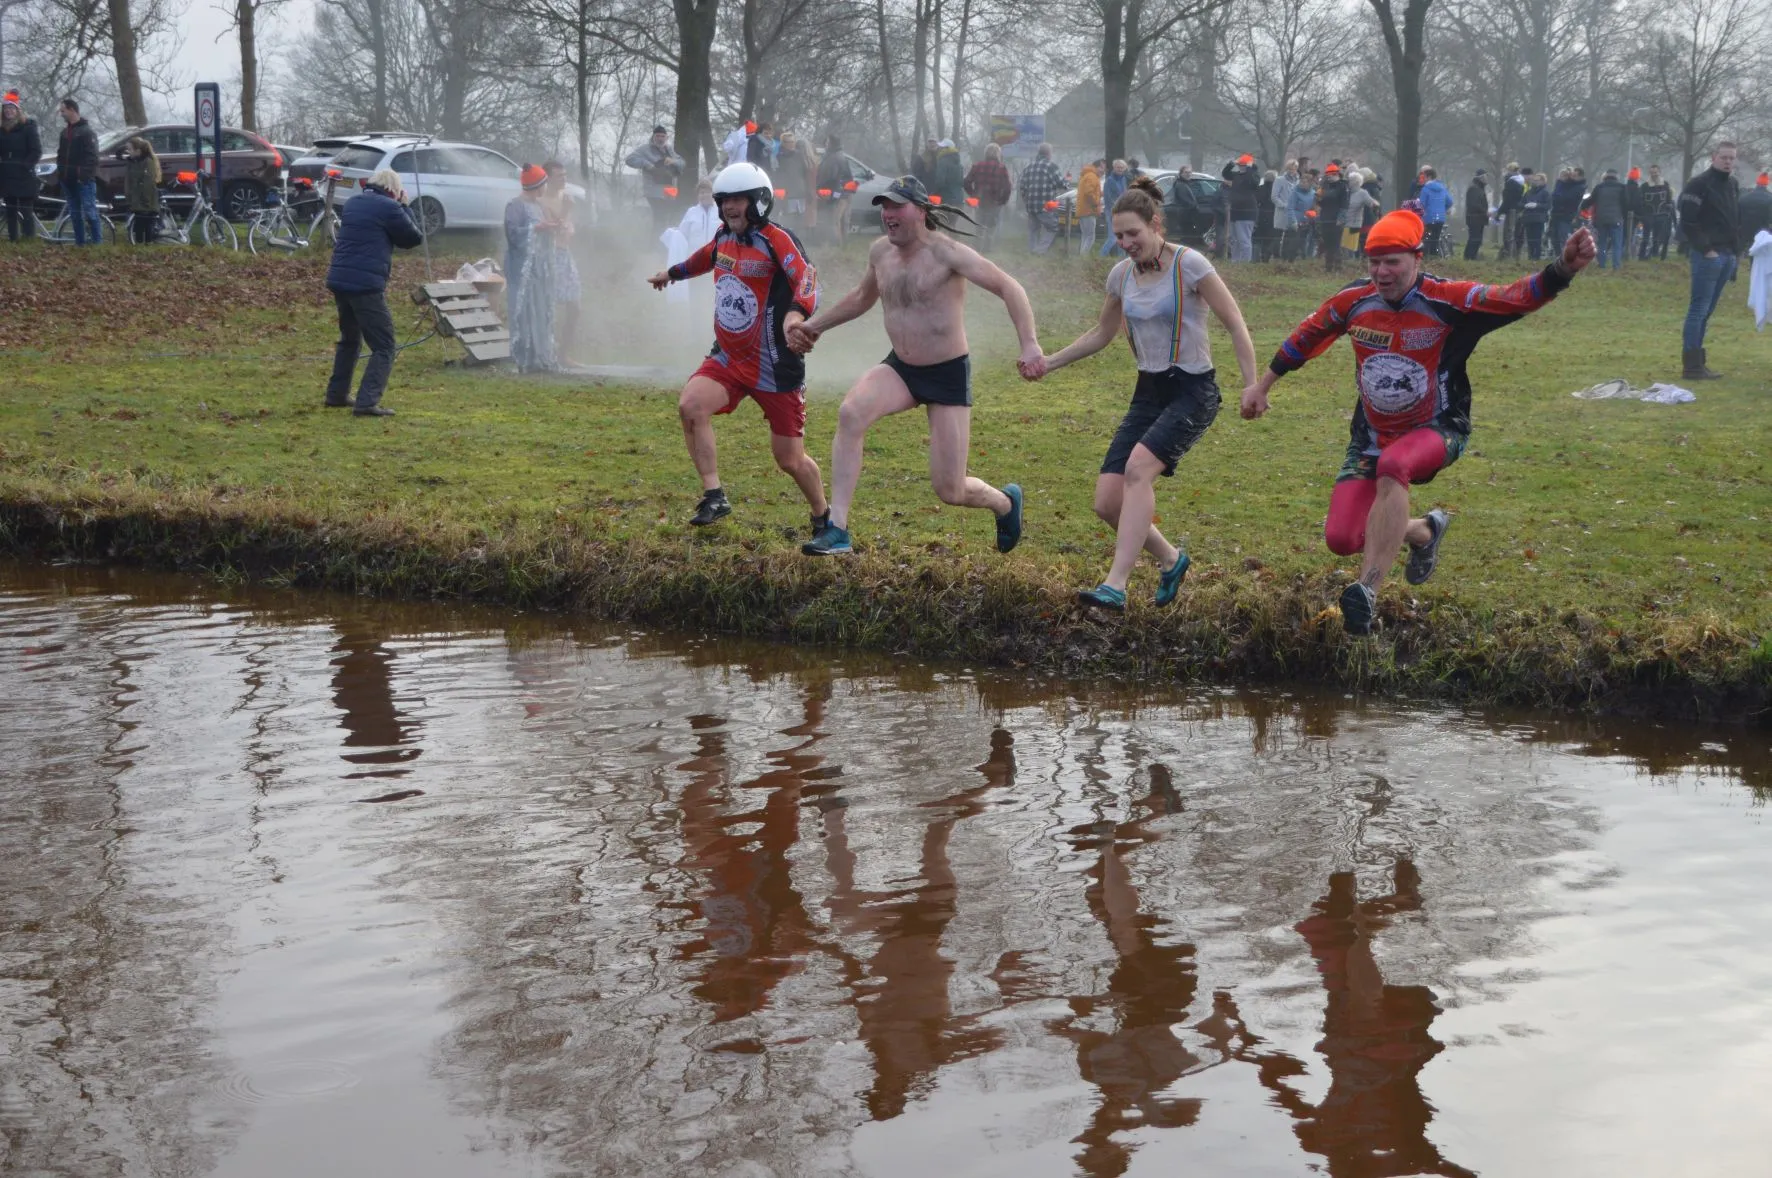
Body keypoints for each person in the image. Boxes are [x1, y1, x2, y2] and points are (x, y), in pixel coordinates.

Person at [1240, 209, 1595, 635]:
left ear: (1418, 258)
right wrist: (1263, 386)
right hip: (1370, 437)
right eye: (1374, 261)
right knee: (1343, 539)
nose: (1382, 272)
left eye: (1393, 261)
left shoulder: (1449, 299)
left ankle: (1366, 592)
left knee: (1395, 465)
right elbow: (1306, 336)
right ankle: (1424, 531)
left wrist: (1564, 269)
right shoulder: (1353, 301)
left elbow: (1515, 296)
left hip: (1440, 429)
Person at [1034, 176, 1258, 611]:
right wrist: (1050, 362)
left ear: (1157, 225)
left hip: (1194, 390)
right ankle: (1172, 559)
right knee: (1106, 502)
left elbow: (1236, 325)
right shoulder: (1120, 275)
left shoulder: (1190, 265)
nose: (1125, 243)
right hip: (1148, 389)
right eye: (1118, 236)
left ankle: (1115, 585)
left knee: (1139, 470)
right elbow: (1101, 333)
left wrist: (1252, 385)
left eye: (1132, 233)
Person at [790, 175, 1042, 557]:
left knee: (950, 489)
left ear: (921, 211)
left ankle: (1005, 503)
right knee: (851, 412)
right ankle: (837, 528)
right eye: (884, 207)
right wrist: (814, 327)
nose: (888, 214)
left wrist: (1030, 344)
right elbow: (861, 297)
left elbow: (1010, 287)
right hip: (902, 369)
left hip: (947, 374)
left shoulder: (947, 253)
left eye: (896, 206)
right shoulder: (880, 253)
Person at [647, 162, 830, 533]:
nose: (729, 207)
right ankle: (715, 495)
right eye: (724, 200)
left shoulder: (778, 239)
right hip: (729, 357)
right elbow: (705, 257)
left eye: (738, 200)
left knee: (790, 460)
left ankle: (823, 515)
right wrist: (673, 273)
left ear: (759, 201)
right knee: (690, 406)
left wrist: (795, 318)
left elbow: (808, 281)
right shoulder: (723, 238)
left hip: (775, 366)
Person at [323, 167, 424, 416]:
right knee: (384, 344)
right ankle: (366, 402)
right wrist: (405, 206)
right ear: (393, 190)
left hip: (340, 279)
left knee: (350, 340)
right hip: (365, 285)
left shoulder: (354, 202)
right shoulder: (390, 208)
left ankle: (336, 395)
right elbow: (412, 238)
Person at [1679, 142, 1741, 379]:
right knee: (1698, 309)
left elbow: (1734, 219)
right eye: (1724, 157)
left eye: (1731, 158)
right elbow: (1688, 220)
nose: (1728, 161)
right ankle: (1692, 365)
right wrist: (1706, 249)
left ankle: (1698, 362)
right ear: (1713, 157)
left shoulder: (1733, 185)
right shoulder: (1698, 184)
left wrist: (1736, 252)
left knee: (1707, 310)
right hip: (1708, 255)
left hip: (1727, 254)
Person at [504, 164, 561, 373]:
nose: (546, 187)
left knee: (538, 308)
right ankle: (523, 357)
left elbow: (542, 228)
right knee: (523, 310)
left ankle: (539, 355)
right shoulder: (515, 205)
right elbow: (512, 235)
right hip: (521, 270)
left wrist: (552, 228)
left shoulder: (538, 205)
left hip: (538, 269)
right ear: (538, 185)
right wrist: (535, 228)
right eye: (544, 183)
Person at [541, 161, 582, 363]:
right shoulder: (543, 201)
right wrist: (565, 211)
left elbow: (568, 228)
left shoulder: (563, 197)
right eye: (559, 176)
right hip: (551, 255)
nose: (564, 179)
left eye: (565, 175)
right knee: (550, 306)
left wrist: (568, 223)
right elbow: (552, 231)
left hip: (565, 255)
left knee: (575, 307)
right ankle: (548, 351)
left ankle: (563, 353)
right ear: (547, 178)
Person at [54, 97, 100, 246]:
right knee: (75, 215)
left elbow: (92, 157)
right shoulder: (63, 133)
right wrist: (61, 174)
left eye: (63, 111)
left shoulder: (87, 132)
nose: (61, 114)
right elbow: (60, 155)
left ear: (72, 110)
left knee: (90, 213)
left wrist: (83, 176)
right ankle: (79, 244)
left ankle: (96, 244)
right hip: (68, 180)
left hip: (84, 181)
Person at [0, 92, 42, 243]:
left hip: (24, 175)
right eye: (5, 109)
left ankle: (29, 240)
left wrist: (25, 165)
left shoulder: (28, 127)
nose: (8, 111)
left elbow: (36, 150)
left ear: (17, 110)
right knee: (10, 210)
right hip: (6, 174)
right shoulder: (2, 129)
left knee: (26, 210)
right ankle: (13, 239)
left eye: (11, 108)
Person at [625, 125, 684, 229]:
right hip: (653, 191)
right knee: (660, 218)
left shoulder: (669, 150)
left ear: (666, 138)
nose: (660, 139)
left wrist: (673, 161)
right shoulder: (645, 149)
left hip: (670, 191)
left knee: (668, 220)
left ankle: (664, 242)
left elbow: (682, 163)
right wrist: (647, 165)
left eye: (662, 136)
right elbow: (629, 159)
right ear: (653, 137)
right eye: (658, 136)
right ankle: (656, 243)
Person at [963, 142, 1013, 253]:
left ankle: (976, 248)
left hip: (979, 201)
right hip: (994, 202)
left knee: (979, 226)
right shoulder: (1001, 168)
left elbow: (966, 182)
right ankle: (987, 250)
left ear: (986, 153)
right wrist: (1002, 200)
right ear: (998, 154)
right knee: (991, 227)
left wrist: (973, 195)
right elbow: (1008, 187)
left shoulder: (977, 166)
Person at [1020, 142, 1064, 255]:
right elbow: (1061, 184)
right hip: (1046, 205)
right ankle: (1039, 251)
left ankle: (1032, 251)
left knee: (1033, 229)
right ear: (1049, 153)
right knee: (1052, 227)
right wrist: (1067, 181)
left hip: (1031, 205)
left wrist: (1027, 200)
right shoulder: (1051, 166)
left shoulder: (1028, 167)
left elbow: (1022, 188)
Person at [1583, 168, 1628, 269]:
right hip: (1616, 219)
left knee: (1602, 243)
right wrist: (1623, 215)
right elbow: (1626, 204)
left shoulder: (1599, 187)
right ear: (1617, 176)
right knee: (1617, 243)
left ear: (1606, 176)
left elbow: (1590, 200)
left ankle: (1602, 264)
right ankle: (1616, 265)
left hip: (1601, 219)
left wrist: (1582, 206)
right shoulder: (1622, 187)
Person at [816, 135, 855, 244]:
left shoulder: (835, 157)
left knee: (834, 220)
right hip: (840, 192)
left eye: (828, 142)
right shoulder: (834, 155)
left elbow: (831, 177)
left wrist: (820, 188)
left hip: (838, 193)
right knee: (838, 220)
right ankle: (839, 242)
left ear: (832, 143)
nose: (826, 144)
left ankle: (836, 243)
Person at [122, 136, 160, 244]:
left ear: (138, 151)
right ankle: (139, 245)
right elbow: (129, 181)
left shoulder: (147, 162)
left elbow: (148, 184)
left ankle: (148, 244)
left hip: (145, 202)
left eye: (130, 149)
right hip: (136, 200)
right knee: (138, 226)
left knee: (147, 225)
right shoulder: (131, 162)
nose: (128, 152)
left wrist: (146, 201)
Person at [1222, 153, 1259, 262]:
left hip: (1247, 213)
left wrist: (1250, 168)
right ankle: (1235, 261)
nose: (1240, 167)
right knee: (1234, 240)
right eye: (1240, 165)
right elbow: (1225, 174)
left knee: (1244, 240)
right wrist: (1231, 164)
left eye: (1243, 165)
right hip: (1235, 211)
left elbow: (1252, 182)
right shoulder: (1236, 175)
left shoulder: (1254, 175)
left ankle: (1245, 263)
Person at [1315, 164, 1350, 270]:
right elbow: (1321, 203)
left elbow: (1344, 205)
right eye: (1327, 175)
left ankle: (1338, 266)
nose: (1329, 177)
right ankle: (1328, 266)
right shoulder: (1325, 186)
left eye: (1331, 175)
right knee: (1327, 243)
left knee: (1336, 243)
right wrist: (1318, 199)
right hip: (1325, 218)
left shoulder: (1343, 187)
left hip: (1336, 220)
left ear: (1337, 175)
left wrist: (1341, 218)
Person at [775, 131, 812, 226]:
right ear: (783, 143)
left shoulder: (799, 155)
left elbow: (805, 173)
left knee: (800, 222)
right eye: (788, 142)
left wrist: (808, 191)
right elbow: (778, 177)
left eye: (792, 141)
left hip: (800, 193)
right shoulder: (779, 157)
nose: (791, 144)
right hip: (788, 195)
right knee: (788, 221)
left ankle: (800, 239)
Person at [1639, 164, 1674, 260]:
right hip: (1648, 215)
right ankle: (1641, 256)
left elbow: (1669, 200)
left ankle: (1654, 255)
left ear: (1659, 172)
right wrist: (1643, 214)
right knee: (1645, 238)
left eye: (1656, 172)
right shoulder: (1644, 186)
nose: (1654, 174)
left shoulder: (1665, 184)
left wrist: (1667, 211)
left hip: (1661, 216)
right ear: (1649, 173)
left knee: (1657, 237)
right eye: (1652, 172)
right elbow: (1640, 201)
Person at [677, 176, 721, 248]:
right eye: (702, 193)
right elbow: (682, 235)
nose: (704, 195)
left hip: (716, 256)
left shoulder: (721, 210)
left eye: (708, 192)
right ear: (698, 196)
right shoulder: (691, 212)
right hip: (695, 256)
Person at [1416, 167, 1451, 255]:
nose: (1423, 179)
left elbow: (1421, 204)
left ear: (1429, 177)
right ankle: (1434, 256)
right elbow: (1450, 201)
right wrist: (1443, 209)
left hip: (1429, 217)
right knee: (1435, 238)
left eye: (1424, 177)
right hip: (1441, 218)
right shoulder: (1442, 188)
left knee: (1426, 238)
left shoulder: (1426, 189)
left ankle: (1427, 256)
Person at [1549, 168, 1584, 253]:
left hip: (1567, 215)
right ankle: (1559, 255)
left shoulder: (1579, 187)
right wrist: (1560, 182)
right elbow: (1554, 196)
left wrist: (1559, 197)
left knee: (1564, 236)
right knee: (1554, 237)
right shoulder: (1563, 184)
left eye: (1573, 175)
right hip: (1556, 214)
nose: (1571, 177)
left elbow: (1567, 198)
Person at [1738, 171, 1772, 250]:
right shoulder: (1770, 198)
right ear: (1767, 184)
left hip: (1745, 236)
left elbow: (1737, 218)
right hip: (1763, 237)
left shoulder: (1743, 198)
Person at [1075, 158, 1103, 255]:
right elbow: (1089, 193)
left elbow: (1091, 192)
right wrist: (1096, 204)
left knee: (1085, 235)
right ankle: (1083, 258)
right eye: (1102, 168)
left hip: (1083, 210)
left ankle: (1081, 257)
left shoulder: (1087, 175)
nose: (1103, 171)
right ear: (1097, 167)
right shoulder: (1092, 176)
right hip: (1089, 210)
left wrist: (1101, 194)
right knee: (1090, 236)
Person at [1520, 172, 1550, 259]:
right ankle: (1530, 256)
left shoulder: (1545, 193)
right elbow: (1521, 203)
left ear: (1543, 181)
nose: (1535, 182)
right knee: (1529, 239)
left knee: (1537, 239)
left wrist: (1537, 205)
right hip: (1528, 218)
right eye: (1534, 180)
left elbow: (1548, 205)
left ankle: (1536, 257)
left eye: (1538, 180)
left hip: (1539, 219)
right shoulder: (1528, 192)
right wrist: (1525, 205)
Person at [1497, 163, 1524, 259]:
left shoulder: (1511, 182)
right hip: (1518, 210)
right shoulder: (1521, 182)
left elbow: (1507, 199)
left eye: (1508, 170)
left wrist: (1499, 212)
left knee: (1509, 233)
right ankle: (1515, 255)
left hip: (1511, 210)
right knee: (1516, 233)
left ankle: (1508, 254)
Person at [932, 138, 965, 209]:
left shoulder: (943, 161)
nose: (940, 149)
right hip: (958, 199)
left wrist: (933, 193)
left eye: (942, 147)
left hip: (946, 199)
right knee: (953, 219)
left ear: (946, 148)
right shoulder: (959, 163)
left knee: (943, 219)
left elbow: (940, 181)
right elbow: (961, 182)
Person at [1463, 169, 1489, 260]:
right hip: (1474, 218)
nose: (1487, 179)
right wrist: (1485, 212)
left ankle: (1472, 256)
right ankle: (1469, 256)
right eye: (1485, 176)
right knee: (1474, 239)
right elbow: (1473, 204)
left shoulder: (1479, 188)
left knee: (1477, 239)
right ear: (1480, 178)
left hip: (1479, 218)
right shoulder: (1474, 188)